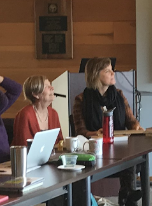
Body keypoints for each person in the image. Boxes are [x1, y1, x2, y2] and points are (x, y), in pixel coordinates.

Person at [72, 57, 143, 206]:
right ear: (96, 74)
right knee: (128, 161)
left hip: (120, 147)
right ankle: (127, 194)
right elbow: (80, 131)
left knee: (133, 157)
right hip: (96, 150)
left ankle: (127, 193)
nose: (113, 73)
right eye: (108, 71)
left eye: (112, 69)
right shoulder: (81, 100)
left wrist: (136, 126)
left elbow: (131, 120)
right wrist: (96, 133)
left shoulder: (119, 95)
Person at [12, 75, 63, 146]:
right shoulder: (25, 114)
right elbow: (23, 145)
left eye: (50, 85)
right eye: (46, 86)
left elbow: (60, 142)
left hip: (53, 156)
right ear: (36, 94)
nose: (52, 88)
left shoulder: (54, 113)